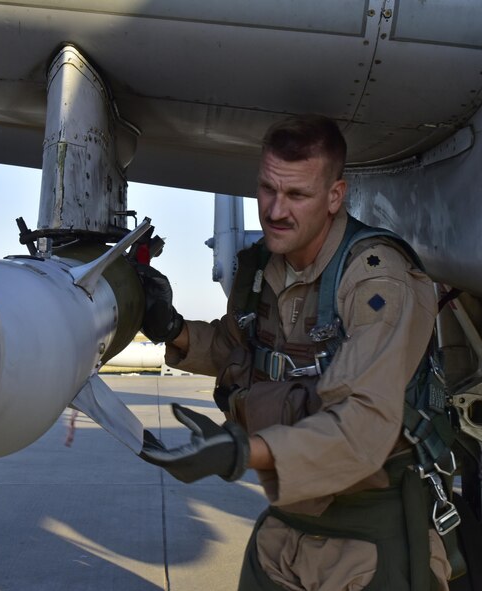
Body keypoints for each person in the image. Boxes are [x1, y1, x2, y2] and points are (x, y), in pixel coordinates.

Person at [137, 114, 452, 590]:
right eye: (267, 189)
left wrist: (242, 452)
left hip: (369, 533)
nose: (275, 210)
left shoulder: (375, 278)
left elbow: (361, 424)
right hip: (288, 525)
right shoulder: (264, 268)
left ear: (334, 197)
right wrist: (172, 328)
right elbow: (236, 348)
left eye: (297, 195)